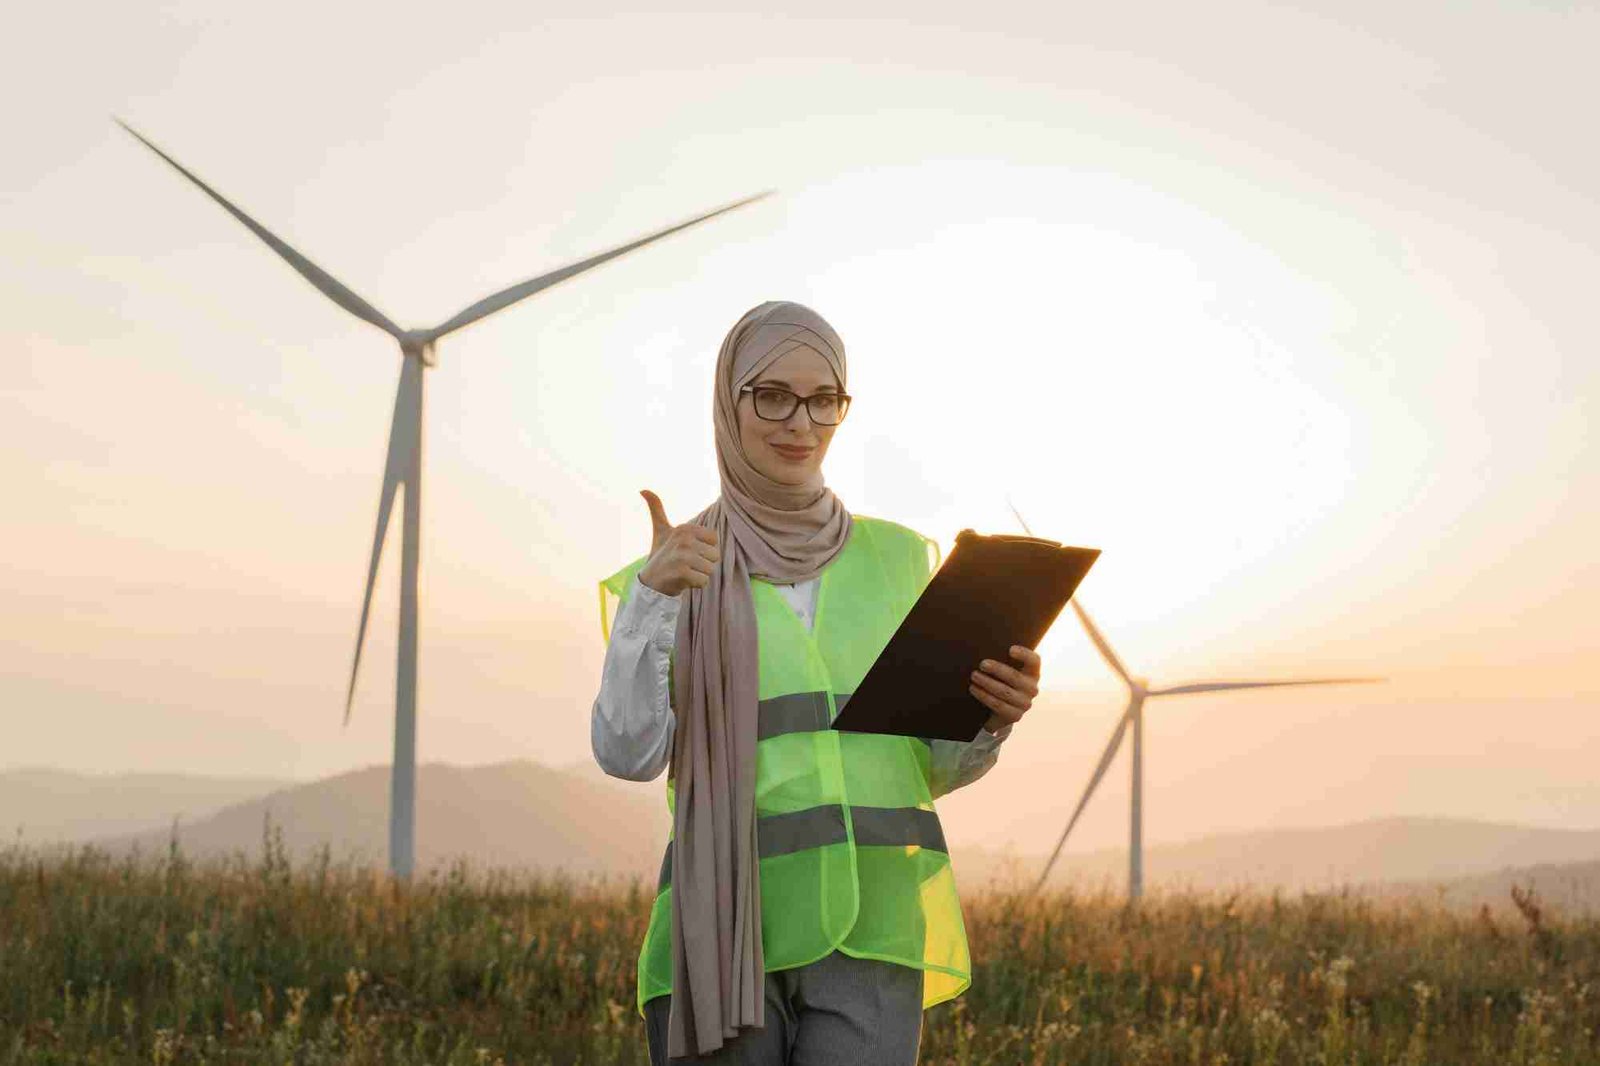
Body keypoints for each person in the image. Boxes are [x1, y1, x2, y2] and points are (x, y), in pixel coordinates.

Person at [591, 300, 1043, 1065]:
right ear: (727, 400)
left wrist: (992, 716)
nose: (800, 423)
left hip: (874, 924)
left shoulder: (902, 561)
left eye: (823, 399)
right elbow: (627, 752)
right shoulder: (672, 570)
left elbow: (927, 767)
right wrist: (652, 601)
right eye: (772, 395)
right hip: (724, 926)